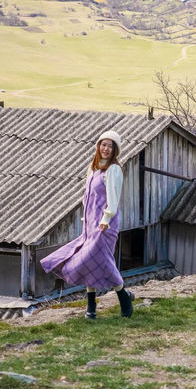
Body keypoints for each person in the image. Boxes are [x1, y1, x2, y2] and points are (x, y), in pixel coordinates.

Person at [40, 130, 134, 319]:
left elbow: (113, 200)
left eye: (110, 146)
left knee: (102, 261)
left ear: (115, 150)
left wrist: (105, 219)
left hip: (105, 225)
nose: (106, 149)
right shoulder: (93, 168)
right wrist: (86, 219)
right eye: (103, 145)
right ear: (98, 146)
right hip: (90, 225)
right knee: (89, 262)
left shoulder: (114, 170)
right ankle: (91, 307)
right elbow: (87, 196)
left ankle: (124, 297)